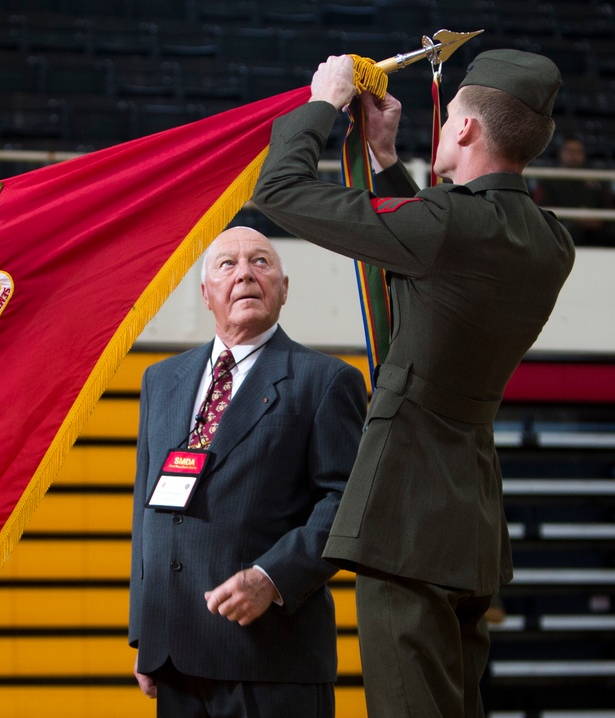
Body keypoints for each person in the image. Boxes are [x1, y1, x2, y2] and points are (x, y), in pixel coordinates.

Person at [252, 50, 576, 718]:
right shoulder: (550, 241)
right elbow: (433, 250)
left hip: (403, 522)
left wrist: (322, 103)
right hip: (468, 527)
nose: (444, 124)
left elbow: (280, 192)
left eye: (450, 113)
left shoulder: (447, 227)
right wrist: (382, 157)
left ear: (462, 132)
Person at [128, 226, 367, 717]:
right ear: (205, 293)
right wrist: (144, 632)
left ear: (283, 288)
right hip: (177, 658)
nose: (244, 274)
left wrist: (270, 577)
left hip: (271, 659)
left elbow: (347, 502)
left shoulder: (327, 380)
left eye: (260, 262)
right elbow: (146, 509)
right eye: (227, 264)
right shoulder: (161, 379)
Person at [534, 134, 614, 246]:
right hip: (563, 231)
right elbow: (543, 209)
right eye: (569, 151)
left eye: (578, 151)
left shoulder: (598, 179)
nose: (574, 155)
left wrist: (598, 220)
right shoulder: (549, 180)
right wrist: (573, 221)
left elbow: (607, 206)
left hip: (596, 233)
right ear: (561, 153)